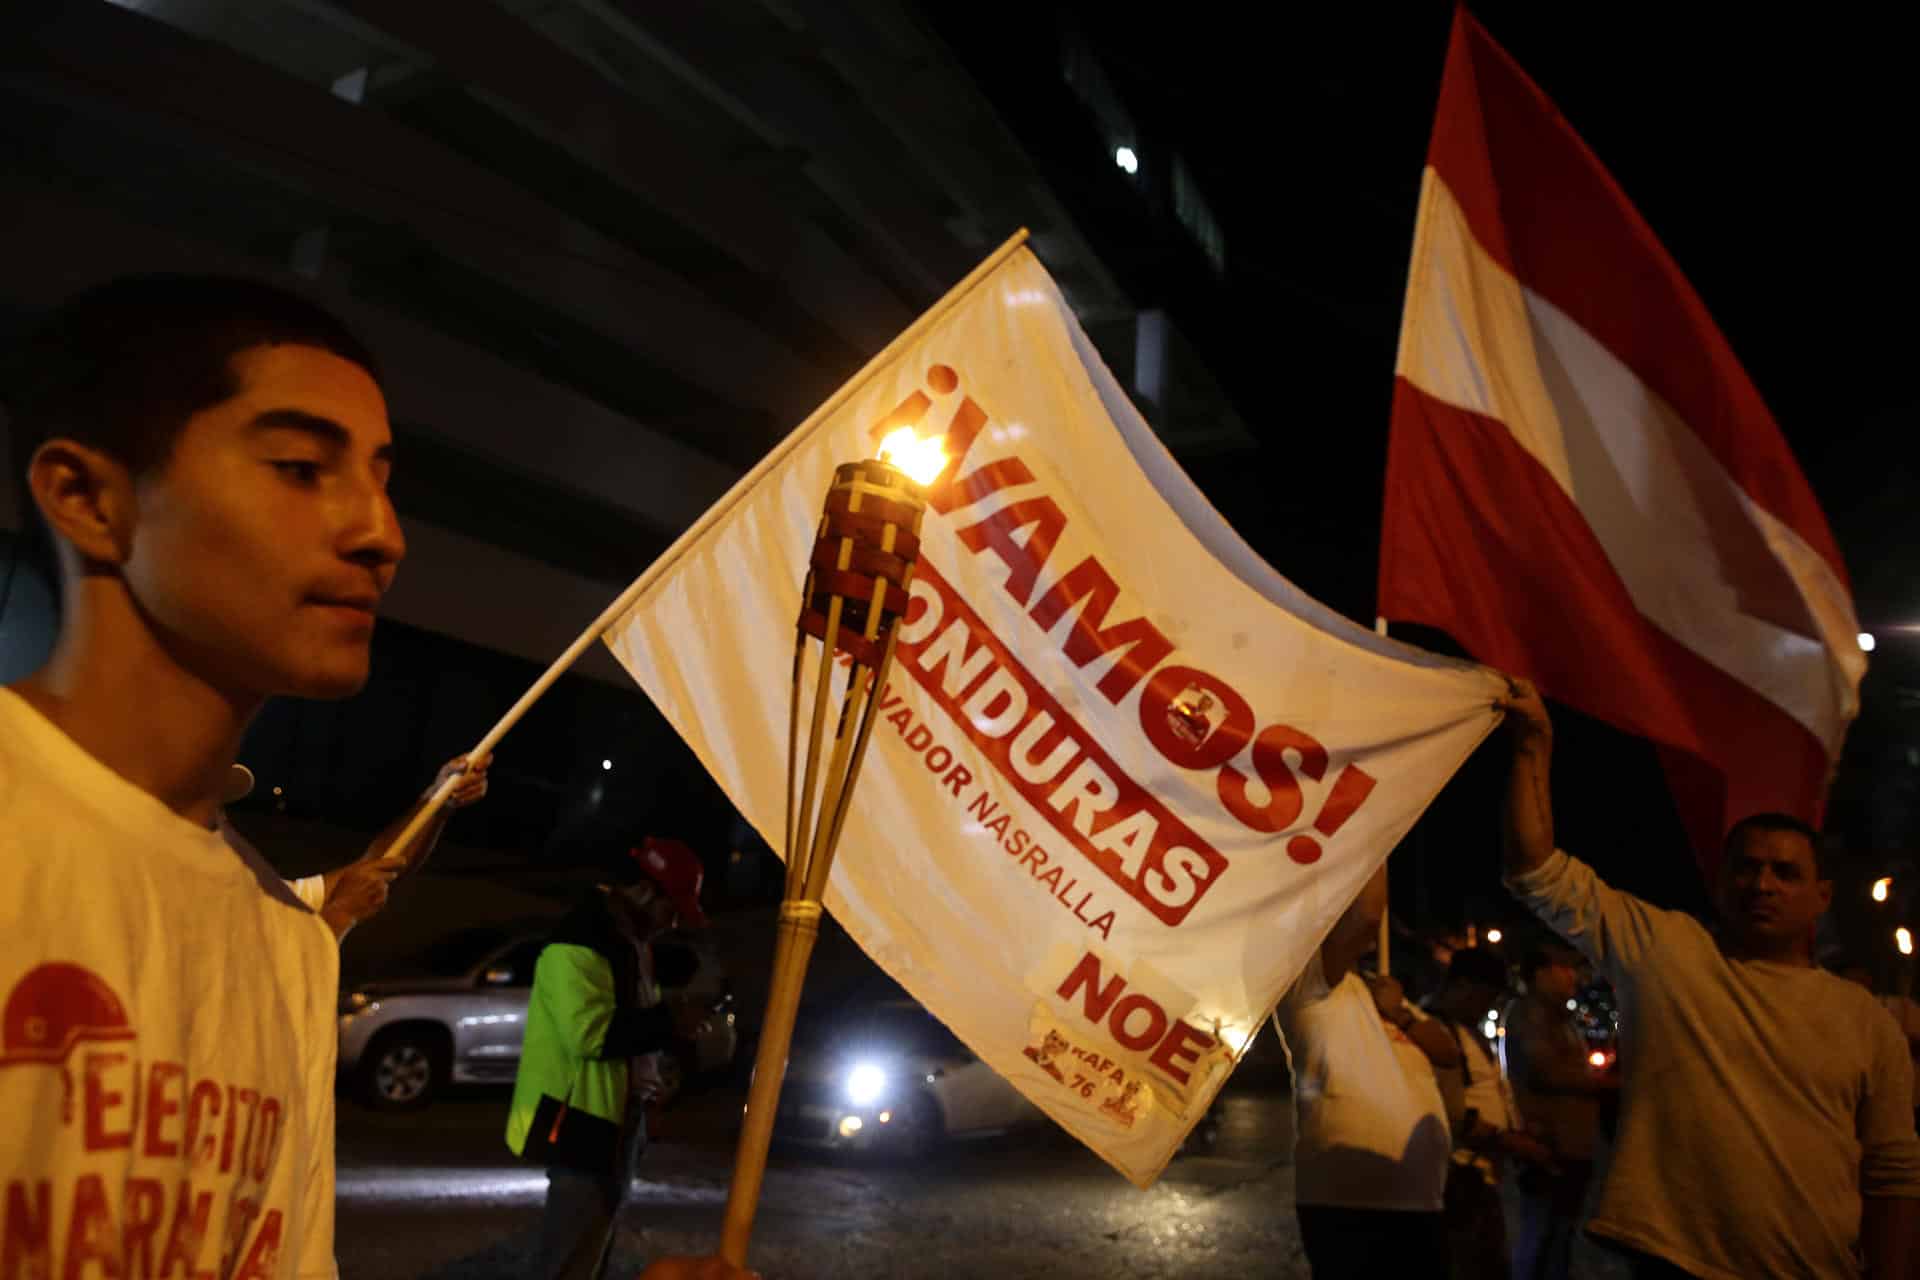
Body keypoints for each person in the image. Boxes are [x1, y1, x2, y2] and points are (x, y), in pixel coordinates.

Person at [1, 274, 406, 1277]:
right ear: (87, 497)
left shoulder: (288, 941)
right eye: (302, 467)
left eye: (385, 478)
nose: (380, 535)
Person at [1498, 678, 1920, 1278]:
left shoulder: (1867, 1023)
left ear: (1821, 895)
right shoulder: (1665, 947)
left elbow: (1894, 1175)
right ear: (1721, 882)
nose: (1763, 884)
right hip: (1654, 1262)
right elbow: (1535, 872)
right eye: (1746, 868)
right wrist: (1531, 745)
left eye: (1785, 872)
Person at [506, 838, 719, 1280]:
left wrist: (649, 1091)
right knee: (566, 1260)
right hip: (579, 1121)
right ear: (645, 892)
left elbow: (629, 1025)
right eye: (673, 908)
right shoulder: (580, 943)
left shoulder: (629, 943)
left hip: (613, 1119)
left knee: (588, 1253)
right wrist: (671, 1019)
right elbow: (592, 1034)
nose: (675, 921)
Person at [1275, 862, 1459, 1274]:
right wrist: (1376, 833)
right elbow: (1368, 915)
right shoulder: (1308, 981)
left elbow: (1448, 1053)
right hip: (1350, 1200)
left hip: (1419, 1198)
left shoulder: (1383, 993)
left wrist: (1401, 1014)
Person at [224, 754, 492, 939]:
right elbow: (288, 969)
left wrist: (438, 800)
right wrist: (341, 913)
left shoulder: (251, 894)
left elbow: (374, 869)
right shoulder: (195, 905)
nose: (220, 820)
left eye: (220, 805)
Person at [1425, 947, 1556, 1280]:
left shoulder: (1465, 1030)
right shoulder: (1436, 1031)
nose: (1490, 1005)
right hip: (1458, 1181)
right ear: (1464, 987)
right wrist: (1510, 1141)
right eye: (1488, 996)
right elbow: (1447, 1111)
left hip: (1480, 1178)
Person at [1503, 941, 1615, 1280]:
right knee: (1544, 1233)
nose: (1573, 976)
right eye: (1563, 968)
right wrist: (1607, 1084)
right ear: (1539, 975)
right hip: (1549, 1143)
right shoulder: (1531, 1015)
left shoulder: (1560, 1017)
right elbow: (1547, 1071)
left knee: (1559, 1234)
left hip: (1569, 1144)